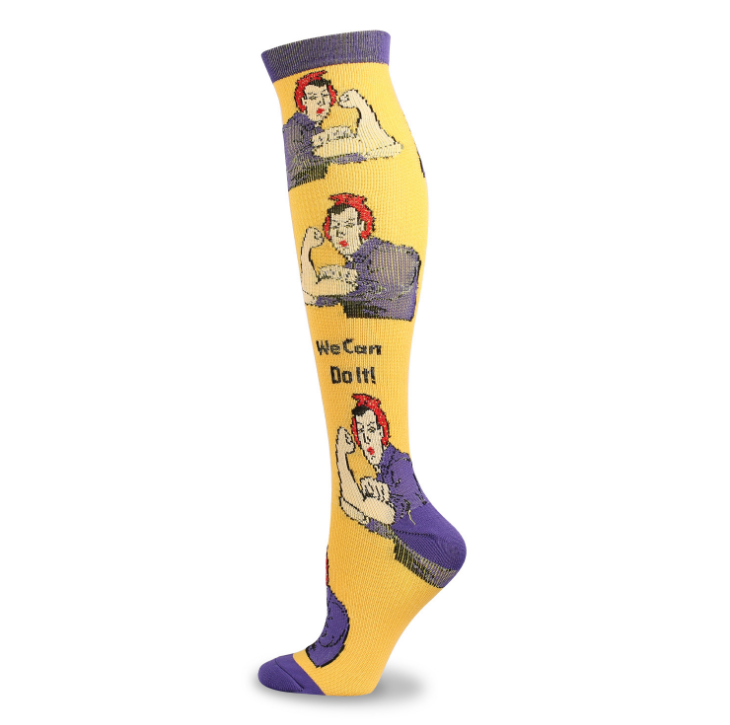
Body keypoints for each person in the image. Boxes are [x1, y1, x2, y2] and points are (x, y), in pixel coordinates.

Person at [336, 395, 462, 588]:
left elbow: (384, 513)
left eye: (371, 430)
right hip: (413, 559)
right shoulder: (381, 474)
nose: (367, 439)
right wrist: (363, 518)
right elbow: (392, 528)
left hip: (432, 560)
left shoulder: (398, 464)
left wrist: (341, 454)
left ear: (381, 432)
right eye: (361, 432)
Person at [300, 193, 421, 320]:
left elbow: (314, 287)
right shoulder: (353, 265)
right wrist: (305, 251)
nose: (340, 232)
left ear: (361, 226)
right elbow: (310, 294)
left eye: (348, 225)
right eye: (335, 226)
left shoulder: (385, 253)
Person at [283, 70, 402, 189]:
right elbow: (302, 163)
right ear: (303, 101)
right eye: (313, 97)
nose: (321, 102)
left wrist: (361, 154)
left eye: (325, 95)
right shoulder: (294, 127)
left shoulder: (315, 130)